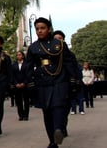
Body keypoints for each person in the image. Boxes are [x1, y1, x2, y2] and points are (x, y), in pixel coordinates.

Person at [26, 18, 81, 148]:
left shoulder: (60, 44)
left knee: (58, 106)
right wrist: (30, 83)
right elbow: (28, 67)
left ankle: (58, 129)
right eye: (37, 28)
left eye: (43, 28)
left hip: (60, 80)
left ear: (49, 29)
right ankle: (52, 141)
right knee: (47, 111)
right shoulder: (33, 47)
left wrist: (73, 79)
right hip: (42, 82)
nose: (40, 31)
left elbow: (68, 63)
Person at [11, 51, 30, 121]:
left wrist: (24, 83)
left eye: (20, 55)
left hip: (25, 84)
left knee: (26, 100)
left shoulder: (26, 64)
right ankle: (20, 115)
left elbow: (28, 75)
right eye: (17, 55)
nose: (18, 56)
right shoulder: (14, 65)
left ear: (23, 56)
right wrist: (16, 83)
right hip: (17, 85)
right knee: (18, 101)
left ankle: (26, 115)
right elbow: (12, 75)